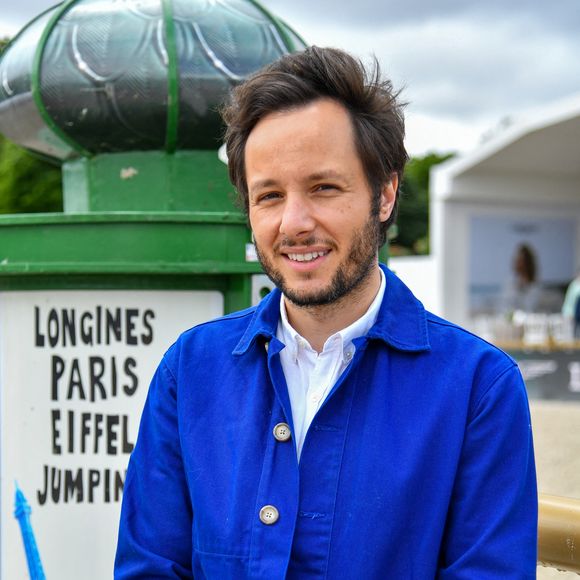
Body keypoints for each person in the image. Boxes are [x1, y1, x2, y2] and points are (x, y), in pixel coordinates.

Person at [115, 47, 537, 578]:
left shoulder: (480, 388)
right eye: (269, 195)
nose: (294, 223)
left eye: (323, 188)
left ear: (384, 194)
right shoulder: (190, 370)